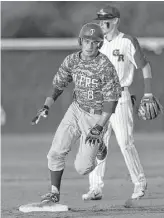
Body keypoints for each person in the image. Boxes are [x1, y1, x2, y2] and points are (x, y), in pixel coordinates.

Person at [30, 23, 121, 211]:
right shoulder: (72, 60)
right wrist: (46, 106)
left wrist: (100, 126)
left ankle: (100, 145)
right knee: (55, 151)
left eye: (94, 42)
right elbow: (59, 84)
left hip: (96, 116)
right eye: (86, 41)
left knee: (83, 168)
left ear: (100, 45)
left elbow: (111, 101)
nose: (89, 46)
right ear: (80, 41)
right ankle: (54, 192)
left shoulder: (105, 66)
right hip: (76, 109)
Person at [82, 5, 154, 201]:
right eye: (99, 20)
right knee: (96, 142)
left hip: (120, 97)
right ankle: (95, 187)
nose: (101, 23)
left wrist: (148, 94)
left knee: (125, 143)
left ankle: (139, 183)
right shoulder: (96, 43)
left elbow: (144, 67)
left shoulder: (127, 41)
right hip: (99, 98)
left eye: (105, 20)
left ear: (115, 21)